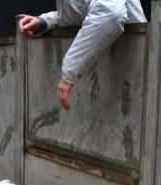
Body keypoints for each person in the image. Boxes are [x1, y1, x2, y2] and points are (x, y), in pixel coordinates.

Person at [19, 0, 147, 110]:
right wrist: (45, 21)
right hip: (123, 85)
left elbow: (110, 13)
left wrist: (69, 74)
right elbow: (82, 10)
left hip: (135, 81)